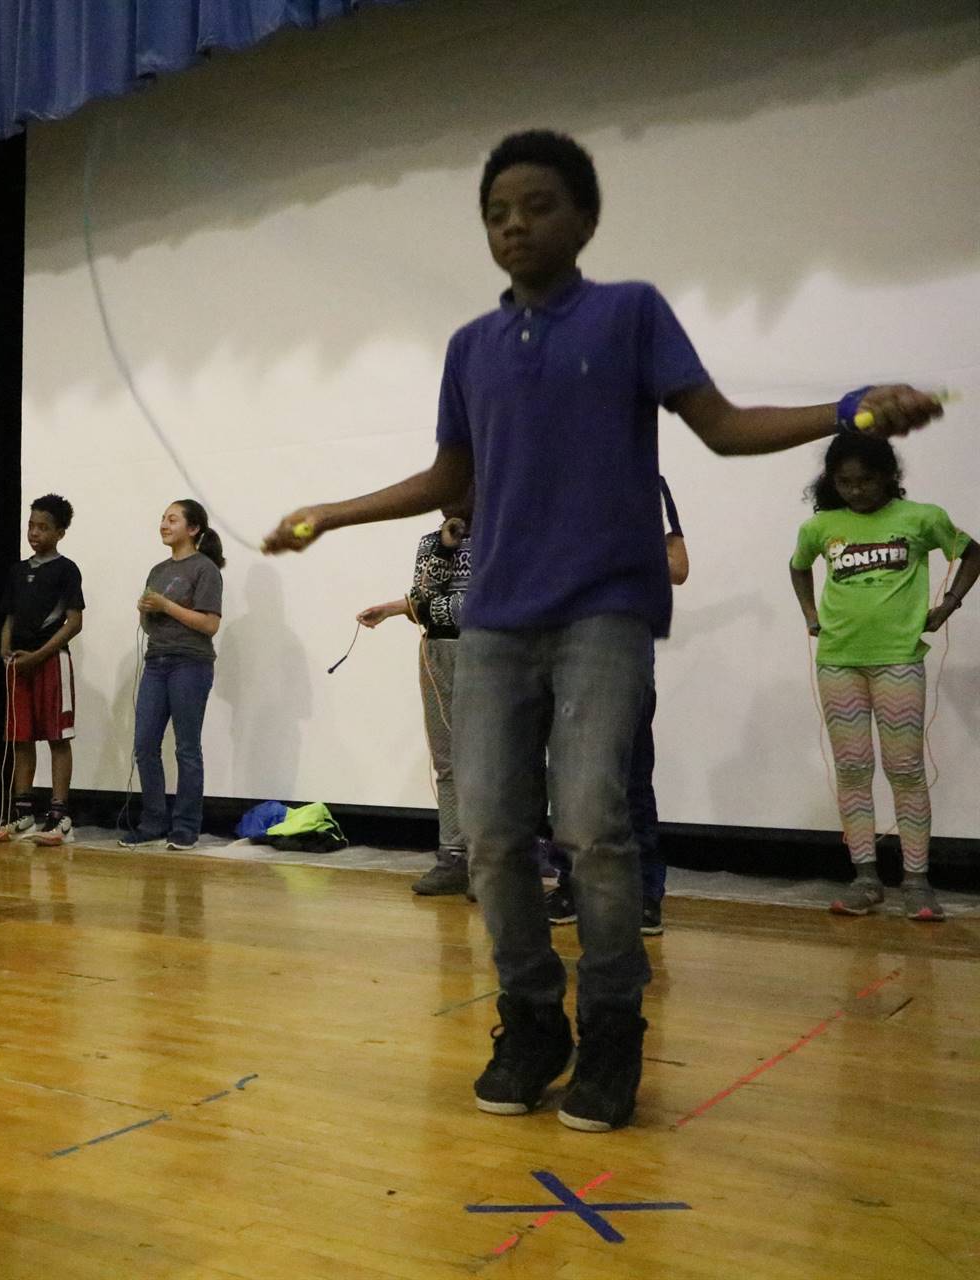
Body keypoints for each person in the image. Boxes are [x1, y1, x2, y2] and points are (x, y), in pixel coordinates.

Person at [264, 129, 944, 1132]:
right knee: (492, 832)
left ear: (584, 217)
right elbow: (452, 478)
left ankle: (612, 1028)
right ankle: (533, 1019)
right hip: (495, 616)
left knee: (589, 821)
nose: (514, 224)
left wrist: (848, 411)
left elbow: (721, 423)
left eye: (537, 205)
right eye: (497, 211)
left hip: (603, 612)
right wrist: (330, 513)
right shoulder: (472, 347)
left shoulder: (630, 315)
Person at [791, 431, 975, 922]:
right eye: (845, 482)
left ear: (890, 477)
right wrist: (811, 614)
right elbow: (798, 568)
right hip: (838, 660)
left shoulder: (921, 518)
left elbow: (972, 552)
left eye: (867, 481)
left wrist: (949, 604)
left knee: (905, 769)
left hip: (897, 659)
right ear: (831, 482)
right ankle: (865, 878)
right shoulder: (821, 526)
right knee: (853, 770)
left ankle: (916, 882)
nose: (856, 491)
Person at [546, 478, 689, 935]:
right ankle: (571, 884)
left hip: (622, 649)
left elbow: (678, 567)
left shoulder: (646, 483)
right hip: (559, 650)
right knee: (566, 776)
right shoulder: (547, 484)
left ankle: (646, 895)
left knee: (629, 778)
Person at [356, 488, 475, 897]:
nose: (449, 497)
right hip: (438, 650)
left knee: (491, 761)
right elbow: (424, 600)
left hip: (489, 652)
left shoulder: (504, 535)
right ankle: (452, 858)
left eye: (460, 485)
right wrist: (445, 548)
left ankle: (491, 863)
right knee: (447, 759)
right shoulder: (431, 542)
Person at [120, 499, 225, 852]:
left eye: (172, 519)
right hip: (157, 661)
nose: (164, 524)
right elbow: (150, 626)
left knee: (186, 748)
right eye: (163, 519)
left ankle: (185, 827)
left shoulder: (205, 569)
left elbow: (209, 624)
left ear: (193, 529)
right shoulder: (158, 570)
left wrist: (166, 606)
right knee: (144, 744)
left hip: (190, 664)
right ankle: (153, 821)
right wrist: (146, 611)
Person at [0, 494, 85, 845]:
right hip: (20, 665)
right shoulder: (18, 571)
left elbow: (73, 622)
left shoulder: (66, 570)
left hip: (50, 662)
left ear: (60, 532)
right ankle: (22, 813)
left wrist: (40, 654)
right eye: (31, 525)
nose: (34, 532)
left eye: (43, 527)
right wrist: (5, 649)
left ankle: (60, 816)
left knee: (57, 737)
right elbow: (10, 617)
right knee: (21, 737)